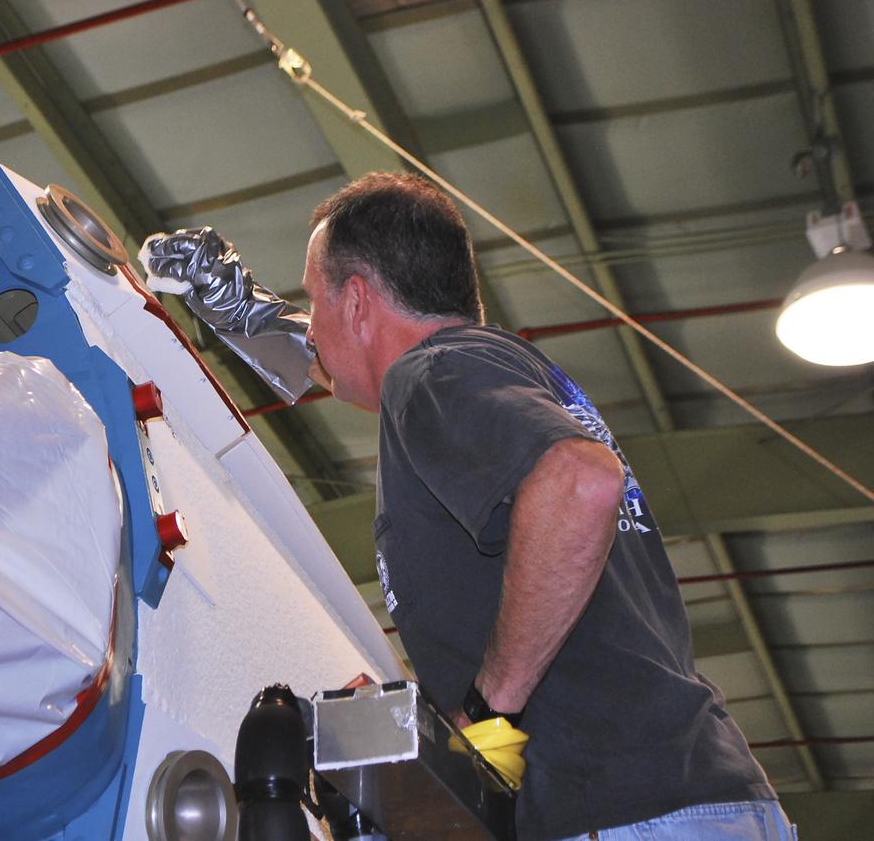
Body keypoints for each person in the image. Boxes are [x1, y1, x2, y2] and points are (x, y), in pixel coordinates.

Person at [145, 172, 792, 841]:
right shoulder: (498, 370)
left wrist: (488, 714)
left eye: (315, 299)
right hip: (693, 797)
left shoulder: (430, 374)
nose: (312, 329)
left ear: (359, 300)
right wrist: (247, 314)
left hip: (631, 817)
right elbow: (342, 356)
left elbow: (579, 482)